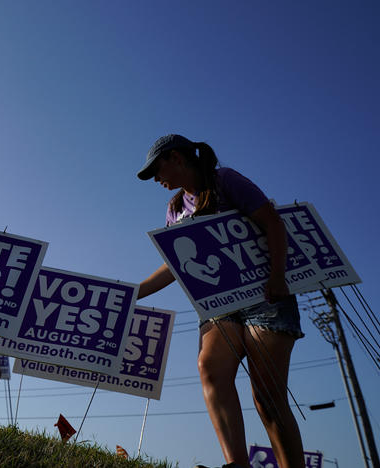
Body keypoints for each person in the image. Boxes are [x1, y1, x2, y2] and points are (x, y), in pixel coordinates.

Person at [136, 135, 305, 468]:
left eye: (157, 169)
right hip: (219, 306)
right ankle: (236, 464)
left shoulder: (225, 180)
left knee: (267, 396)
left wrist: (277, 276)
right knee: (209, 368)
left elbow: (271, 222)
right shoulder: (174, 209)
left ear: (176, 158)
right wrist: (133, 292)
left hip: (265, 297)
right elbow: (175, 267)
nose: (157, 179)